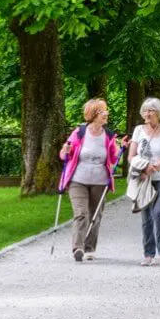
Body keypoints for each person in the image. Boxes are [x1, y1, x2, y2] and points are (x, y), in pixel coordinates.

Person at [59, 99, 127, 263]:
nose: (106, 114)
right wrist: (66, 150)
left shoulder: (109, 135)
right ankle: (78, 248)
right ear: (94, 114)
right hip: (78, 180)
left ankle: (90, 248)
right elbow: (64, 155)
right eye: (103, 111)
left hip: (100, 181)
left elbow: (113, 157)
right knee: (81, 213)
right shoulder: (79, 132)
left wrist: (122, 148)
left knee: (95, 215)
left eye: (105, 111)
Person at [127, 98, 160, 267]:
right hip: (144, 178)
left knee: (159, 211)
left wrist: (154, 167)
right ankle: (149, 254)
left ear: (159, 113)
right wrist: (142, 168)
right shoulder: (138, 130)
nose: (147, 114)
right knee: (146, 216)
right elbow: (131, 155)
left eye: (151, 111)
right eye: (145, 111)